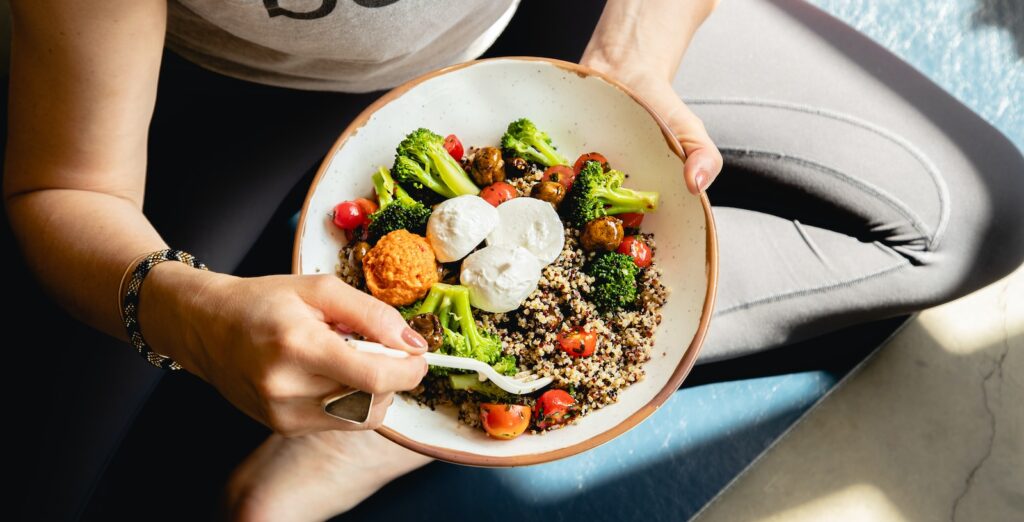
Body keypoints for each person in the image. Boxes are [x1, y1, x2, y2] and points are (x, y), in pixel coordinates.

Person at [5, 0, 1023, 520]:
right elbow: (67, 189)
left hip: (549, 21)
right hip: (240, 95)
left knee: (969, 215)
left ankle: (383, 428)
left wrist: (635, 58)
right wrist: (189, 315)